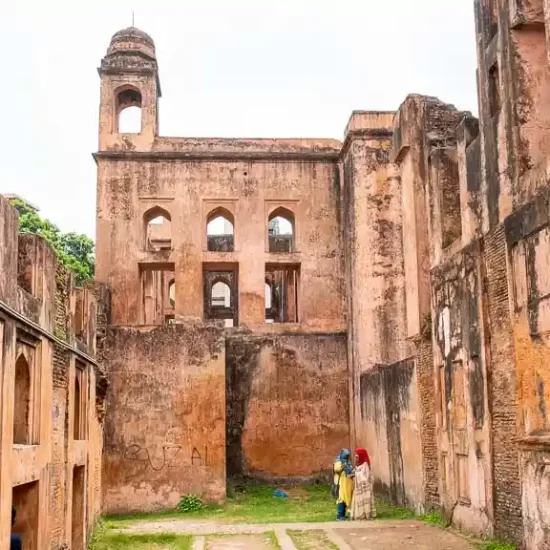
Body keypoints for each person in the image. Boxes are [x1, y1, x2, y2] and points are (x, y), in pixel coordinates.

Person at [351, 447, 376, 520]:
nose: (356, 458)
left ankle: (366, 515)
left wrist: (356, 473)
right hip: (358, 487)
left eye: (357, 456)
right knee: (358, 500)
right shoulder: (358, 464)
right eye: (356, 456)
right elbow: (358, 472)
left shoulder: (365, 464)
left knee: (365, 500)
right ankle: (359, 515)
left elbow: (366, 477)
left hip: (365, 487)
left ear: (361, 456)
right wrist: (353, 473)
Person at [333, 448, 354, 520]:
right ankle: (340, 515)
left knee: (346, 499)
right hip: (341, 483)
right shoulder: (338, 461)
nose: (347, 457)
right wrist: (343, 465)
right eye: (346, 455)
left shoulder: (348, 462)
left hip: (347, 484)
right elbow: (337, 469)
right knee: (341, 499)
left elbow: (350, 470)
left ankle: (343, 515)